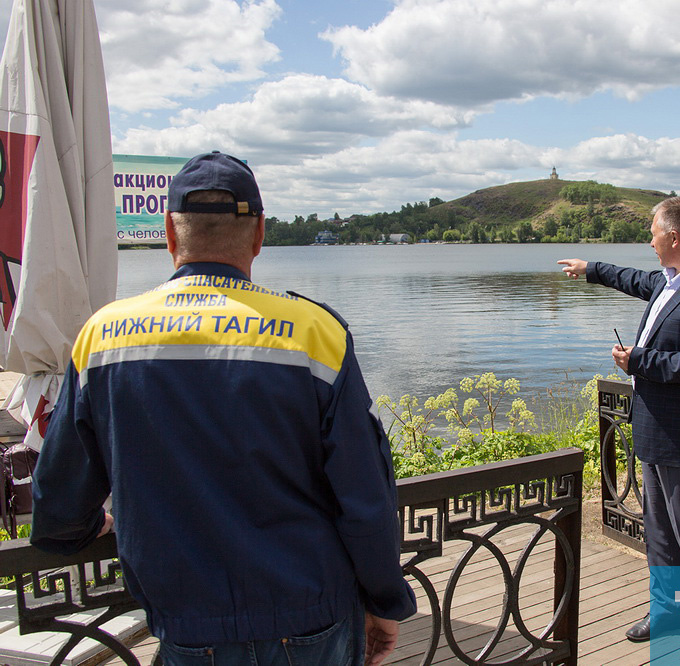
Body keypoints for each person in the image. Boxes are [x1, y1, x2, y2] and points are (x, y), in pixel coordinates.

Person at [29, 152, 416, 666]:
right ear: (259, 236)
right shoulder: (315, 333)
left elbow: (59, 495)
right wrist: (386, 599)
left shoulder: (102, 337)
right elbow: (364, 494)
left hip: (187, 621)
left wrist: (78, 529)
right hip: (311, 617)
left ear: (169, 233)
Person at [558, 196, 680, 662]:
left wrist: (639, 360)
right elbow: (637, 280)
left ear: (674, 237)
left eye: (653, 232)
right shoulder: (673, 279)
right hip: (657, 429)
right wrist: (591, 268)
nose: (650, 241)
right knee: (659, 530)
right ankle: (668, 612)